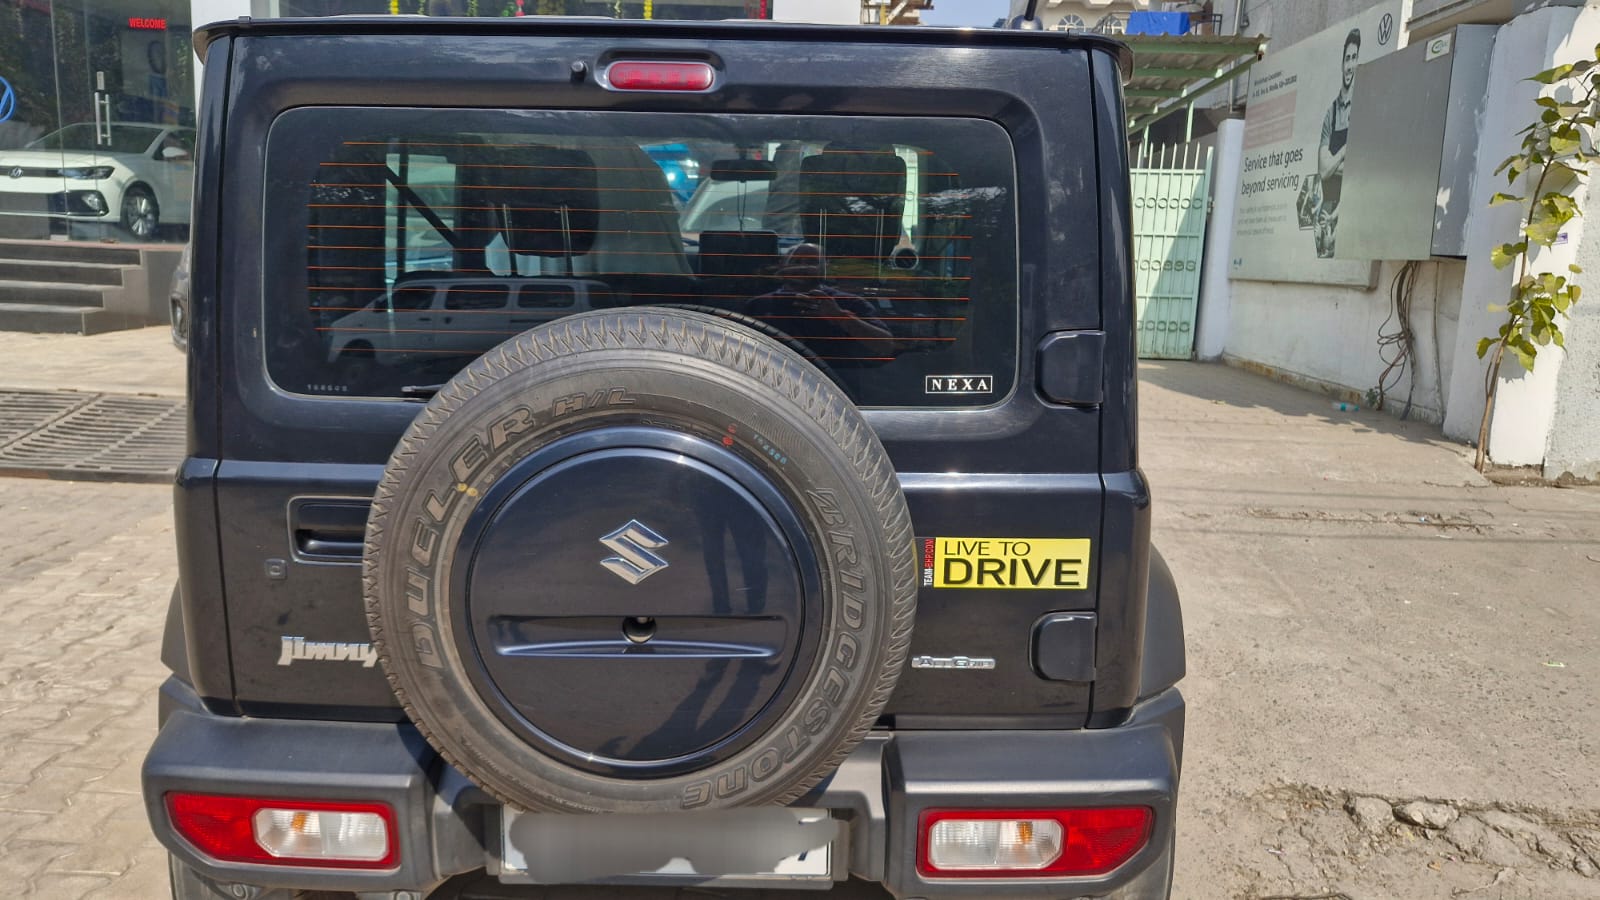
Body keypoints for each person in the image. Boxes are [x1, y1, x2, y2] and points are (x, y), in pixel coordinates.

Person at [745, 243, 895, 363]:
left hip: (838, 385)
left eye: (812, 262)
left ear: (825, 267)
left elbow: (885, 346)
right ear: (782, 265)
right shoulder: (758, 305)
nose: (803, 267)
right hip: (769, 382)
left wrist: (840, 317)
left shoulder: (849, 303)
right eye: (796, 262)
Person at [1316, 28, 1360, 258]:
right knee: (1324, 253)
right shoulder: (1331, 114)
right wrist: (1345, 151)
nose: (1350, 65)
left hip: (1349, 213)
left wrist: (1335, 162)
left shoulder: (1362, 108)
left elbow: (1360, 170)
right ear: (1342, 63)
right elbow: (1324, 172)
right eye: (1347, 58)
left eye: (1355, 58)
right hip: (1328, 207)